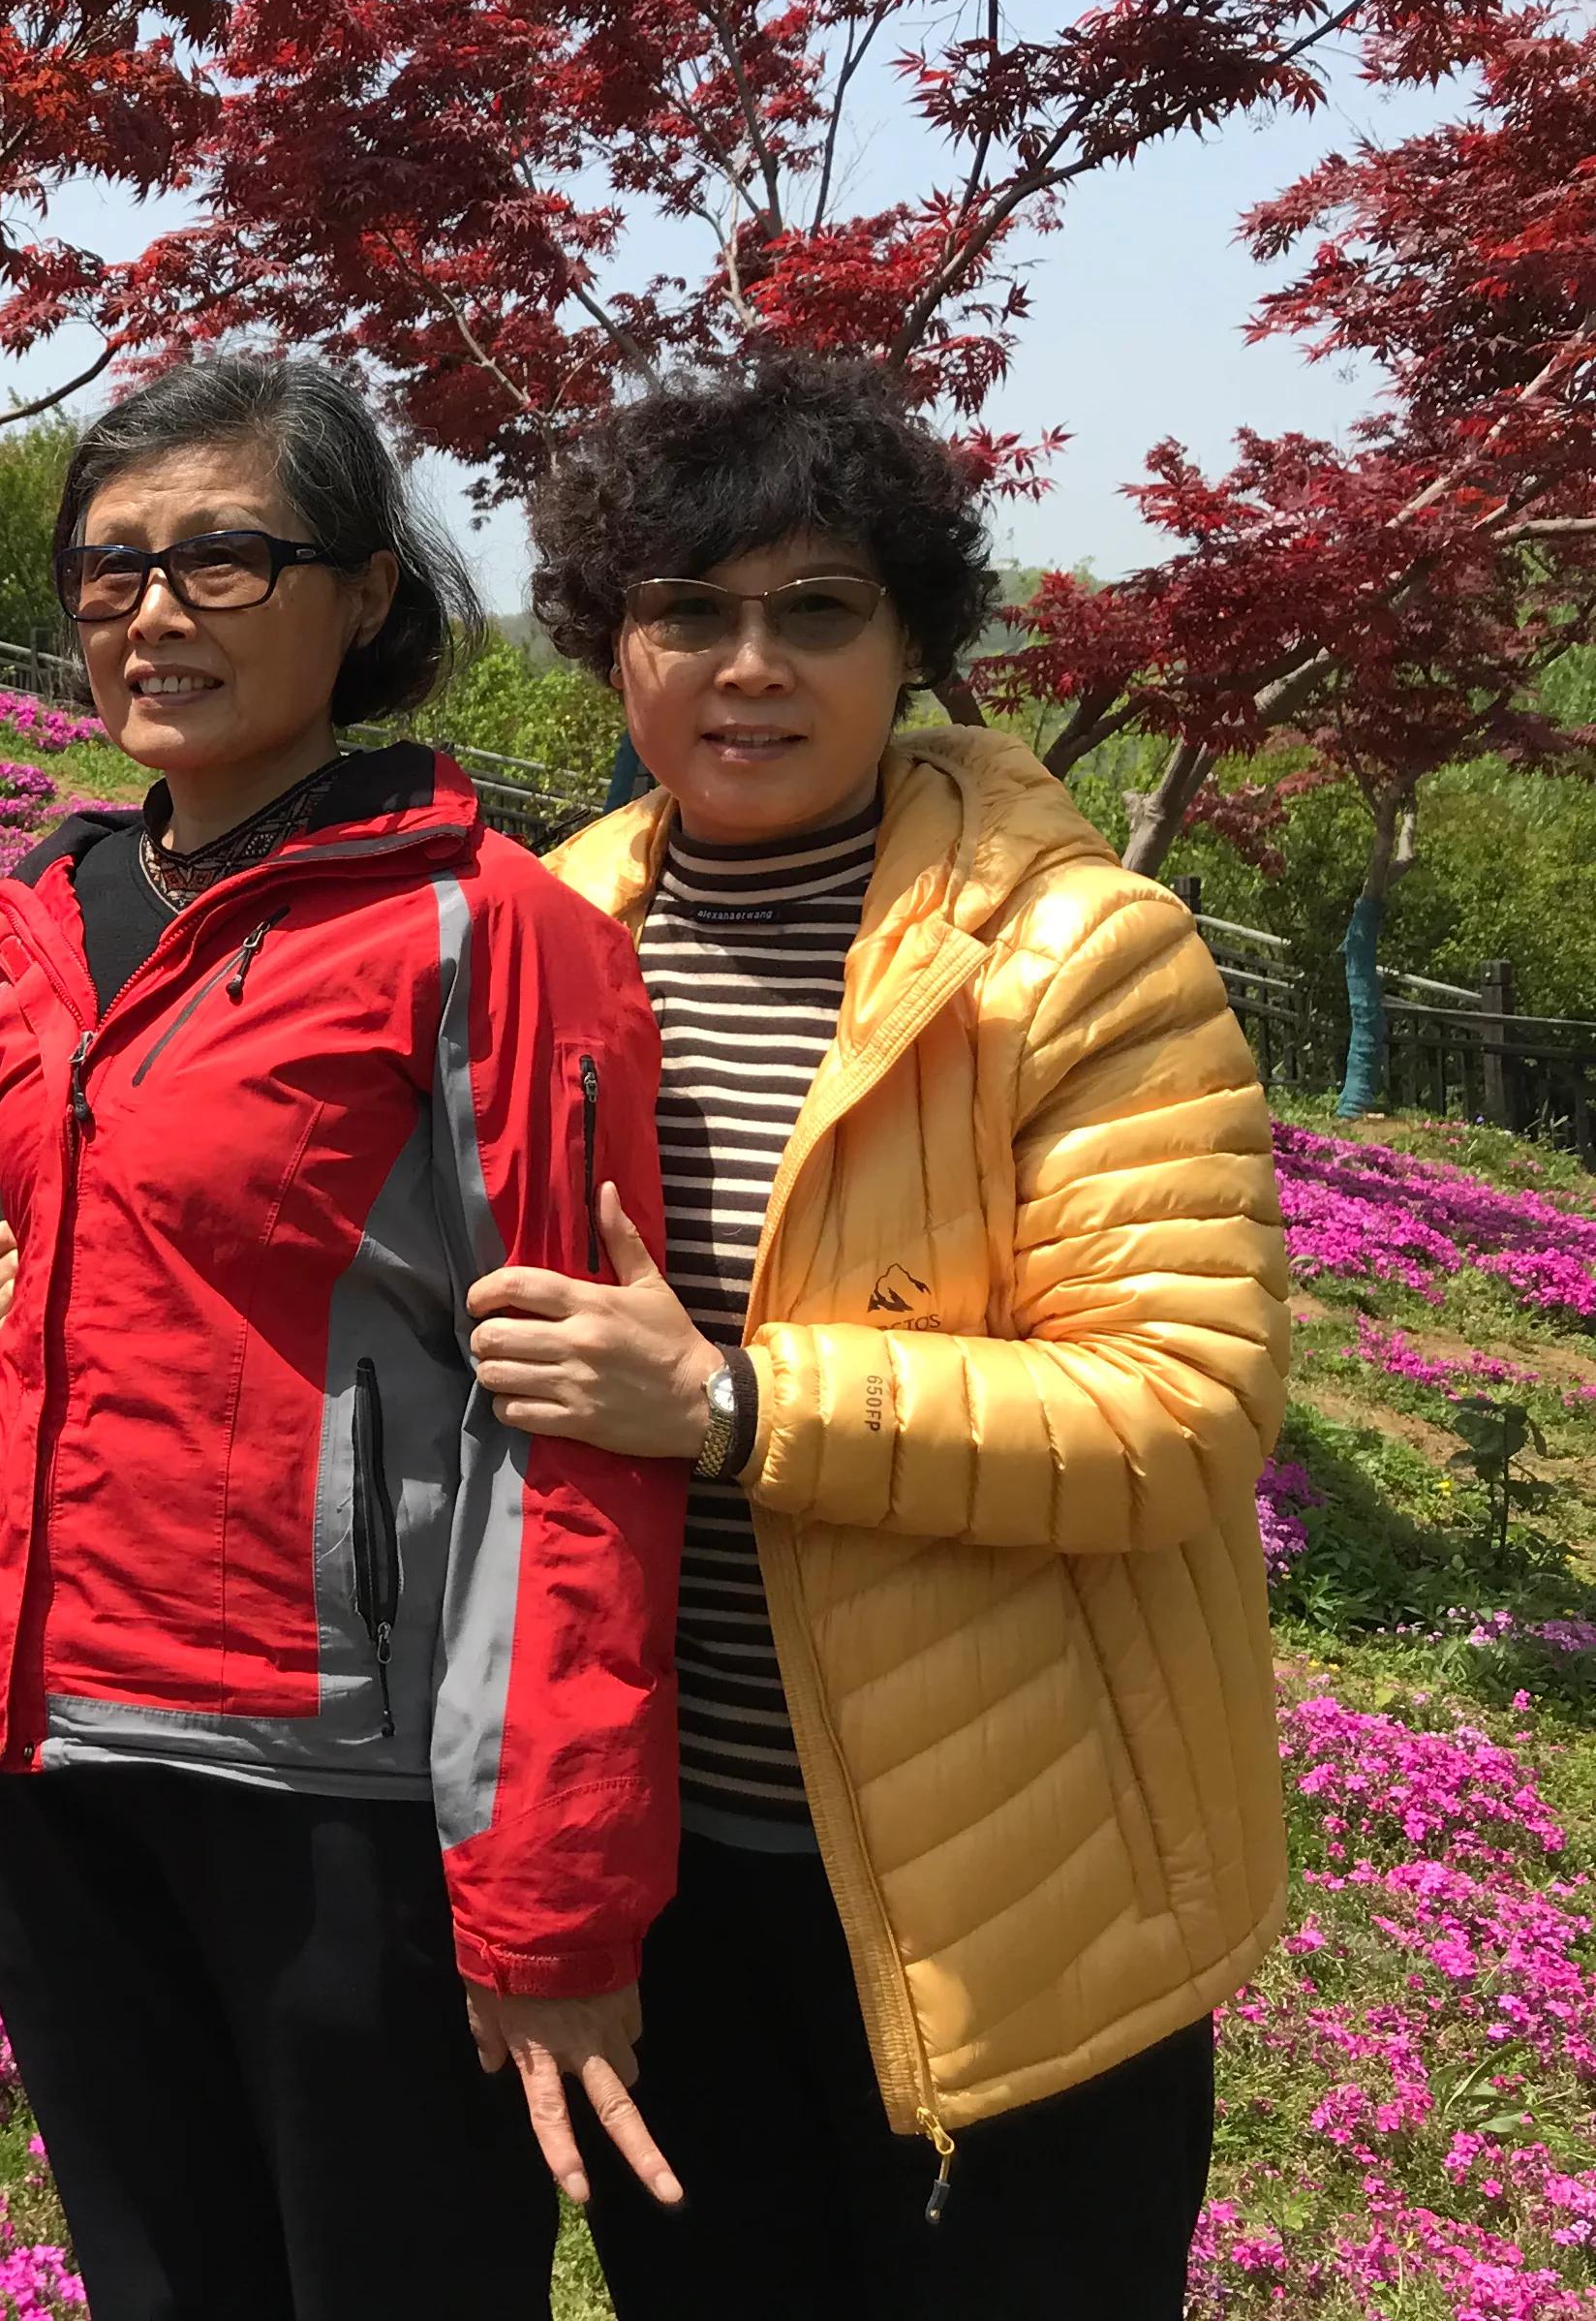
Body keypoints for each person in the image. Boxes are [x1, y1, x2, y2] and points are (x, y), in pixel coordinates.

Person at [0, 351, 691, 2321]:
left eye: (225, 557)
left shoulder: (486, 934)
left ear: (366, 595)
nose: (152, 612)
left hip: (337, 1803)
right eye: (108, 567)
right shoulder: (41, 913)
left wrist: (551, 1890)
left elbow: (580, 1442)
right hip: (53, 1765)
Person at [459, 355, 1287, 2319]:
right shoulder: (541, 936)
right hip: (663, 1878)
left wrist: (733, 1404)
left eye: (816, 611)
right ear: (608, 644)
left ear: (911, 638)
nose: (750, 667)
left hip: (1015, 1903)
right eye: (688, 612)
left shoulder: (1077, 959)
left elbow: (1184, 1410)